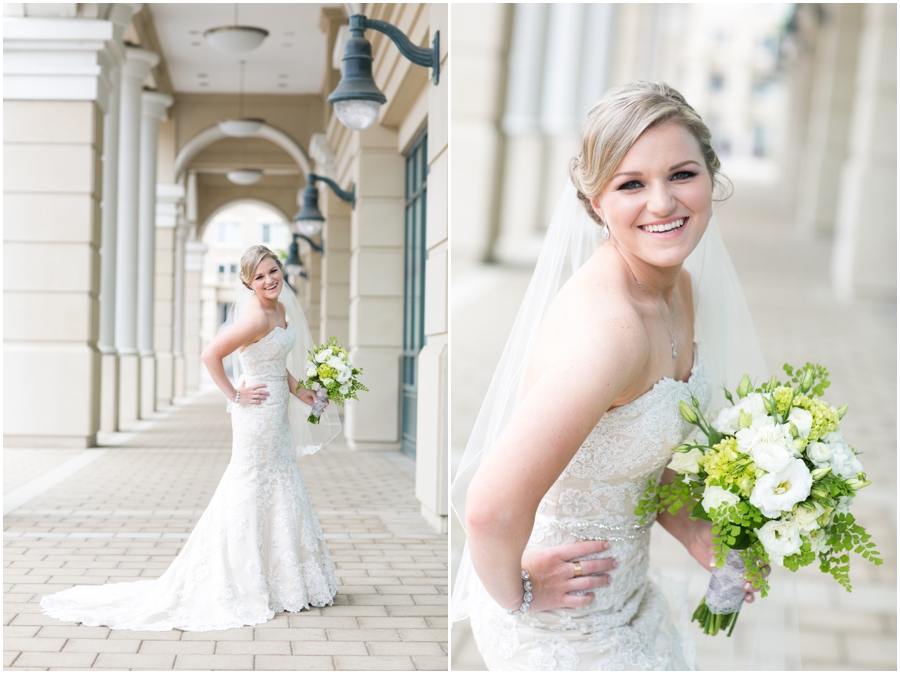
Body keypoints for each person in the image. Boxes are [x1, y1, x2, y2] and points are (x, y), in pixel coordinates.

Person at [451, 83, 793, 670]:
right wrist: (518, 592)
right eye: (631, 184)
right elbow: (488, 508)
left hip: (630, 600)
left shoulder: (679, 289)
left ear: (712, 177)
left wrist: (692, 530)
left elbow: (637, 446)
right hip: (564, 629)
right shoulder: (609, 335)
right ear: (593, 203)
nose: (662, 203)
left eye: (682, 174)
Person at [41, 245, 341, 631]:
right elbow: (210, 355)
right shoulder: (253, 316)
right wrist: (234, 394)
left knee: (281, 479)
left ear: (280, 270)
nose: (269, 280)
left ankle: (283, 579)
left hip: (276, 412)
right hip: (255, 414)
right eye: (259, 276)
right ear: (248, 283)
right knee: (251, 483)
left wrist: (303, 394)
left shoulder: (280, 310)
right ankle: (239, 580)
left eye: (273, 271)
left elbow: (275, 362)